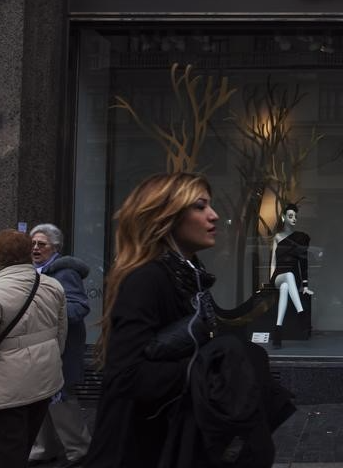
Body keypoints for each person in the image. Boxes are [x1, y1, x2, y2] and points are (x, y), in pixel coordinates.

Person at [85, 172, 294, 468]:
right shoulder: (146, 279)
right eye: (200, 206)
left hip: (174, 442)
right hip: (141, 448)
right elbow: (124, 377)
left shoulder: (188, 275)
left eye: (209, 205)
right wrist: (212, 370)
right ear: (166, 217)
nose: (214, 215)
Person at [0, 229, 67, 468]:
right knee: (23, 445)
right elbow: (61, 334)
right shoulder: (53, 285)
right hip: (45, 380)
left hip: (8, 390)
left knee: (8, 451)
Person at [28, 224, 92, 468]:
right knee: (40, 397)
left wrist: (47, 313)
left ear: (55, 247)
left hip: (62, 348)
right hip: (41, 347)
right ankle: (44, 449)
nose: (35, 248)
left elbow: (80, 307)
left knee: (61, 399)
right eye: (32, 243)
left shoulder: (64, 272)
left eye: (41, 244)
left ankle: (80, 449)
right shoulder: (34, 271)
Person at [269, 203, 312, 349]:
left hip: (292, 279)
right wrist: (270, 279)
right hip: (278, 276)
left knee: (286, 286)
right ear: (283, 217)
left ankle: (278, 331)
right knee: (287, 277)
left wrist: (305, 285)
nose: (294, 219)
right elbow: (273, 261)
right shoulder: (277, 237)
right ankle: (301, 313)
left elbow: (304, 261)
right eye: (290, 216)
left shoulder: (301, 238)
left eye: (295, 217)